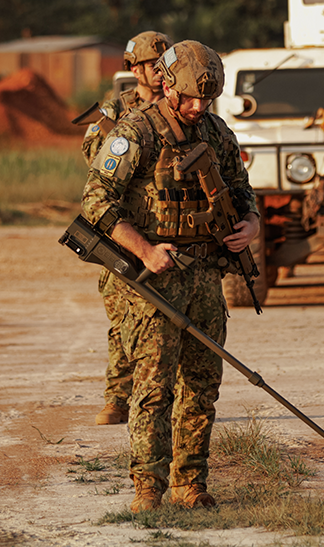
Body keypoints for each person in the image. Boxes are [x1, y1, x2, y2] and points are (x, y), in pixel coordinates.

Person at [80, 40, 260, 512]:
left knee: (201, 385)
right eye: (191, 98)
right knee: (153, 389)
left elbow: (242, 190)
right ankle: (148, 487)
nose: (199, 107)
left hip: (206, 278)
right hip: (155, 280)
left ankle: (190, 484)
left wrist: (250, 224)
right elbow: (95, 200)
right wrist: (144, 249)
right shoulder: (135, 132)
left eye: (208, 99)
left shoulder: (217, 132)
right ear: (166, 86)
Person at [80, 31, 174, 426]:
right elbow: (94, 160)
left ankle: (166, 399)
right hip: (123, 232)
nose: (160, 71)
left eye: (165, 64)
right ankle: (118, 398)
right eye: (153, 65)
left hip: (166, 226)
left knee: (171, 319)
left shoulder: (178, 105)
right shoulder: (114, 110)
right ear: (134, 69)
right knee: (123, 318)